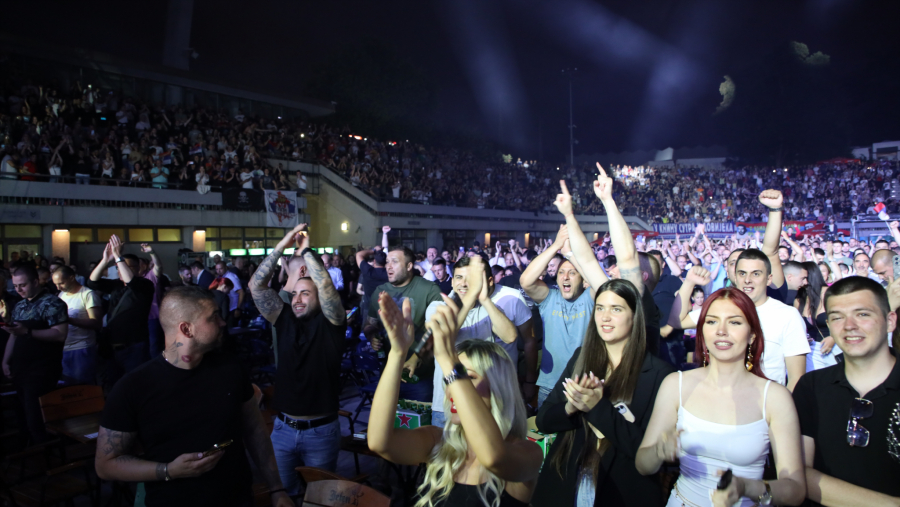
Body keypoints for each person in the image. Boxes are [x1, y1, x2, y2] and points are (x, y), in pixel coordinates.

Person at [94, 287, 292, 507]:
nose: (222, 322)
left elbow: (255, 431)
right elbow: (106, 465)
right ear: (186, 329)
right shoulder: (134, 387)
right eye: (213, 317)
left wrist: (277, 488)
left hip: (237, 498)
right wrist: (168, 470)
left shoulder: (230, 369)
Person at [368, 291, 542, 507]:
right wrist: (397, 354)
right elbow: (379, 442)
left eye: (468, 377)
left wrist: (447, 357)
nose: (453, 389)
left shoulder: (528, 452)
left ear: (499, 388)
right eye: (450, 379)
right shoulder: (438, 441)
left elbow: (493, 457)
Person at [637, 287, 806, 507]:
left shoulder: (774, 397)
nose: (721, 331)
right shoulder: (675, 384)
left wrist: (747, 487)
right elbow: (643, 464)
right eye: (712, 321)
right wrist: (658, 451)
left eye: (734, 322)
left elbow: (795, 490)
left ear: (752, 334)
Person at [532, 275, 675, 507]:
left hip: (621, 492)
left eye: (616, 309)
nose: (605, 317)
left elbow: (645, 451)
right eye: (599, 308)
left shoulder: (659, 374)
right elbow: (543, 421)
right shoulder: (581, 357)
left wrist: (598, 408)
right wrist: (570, 408)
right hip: (566, 484)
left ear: (634, 316)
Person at [249, 224, 346, 495]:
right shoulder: (284, 319)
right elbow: (256, 286)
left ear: (319, 298)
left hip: (320, 431)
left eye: (305, 293)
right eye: (294, 294)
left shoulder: (332, 322)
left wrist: (306, 251)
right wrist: (282, 245)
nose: (297, 299)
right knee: (283, 496)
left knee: (319, 497)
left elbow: (325, 285)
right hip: (283, 429)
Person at [792, 277, 900, 506]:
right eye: (837, 317)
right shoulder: (811, 387)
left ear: (890, 321)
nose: (849, 325)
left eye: (863, 314)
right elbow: (798, 474)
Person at [677, 251, 810, 391]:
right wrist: (689, 282)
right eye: (742, 273)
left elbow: (796, 378)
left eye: (756, 274)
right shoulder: (721, 307)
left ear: (769, 279)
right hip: (719, 398)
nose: (747, 280)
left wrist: (779, 404)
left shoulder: (787, 315)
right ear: (735, 277)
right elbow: (679, 321)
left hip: (766, 401)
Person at [425, 255, 532, 429]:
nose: (464, 283)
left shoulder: (489, 308)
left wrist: (484, 299)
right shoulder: (438, 307)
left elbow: (510, 336)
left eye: (470, 279)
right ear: (452, 282)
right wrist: (469, 300)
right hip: (447, 405)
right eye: (459, 277)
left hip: (484, 401)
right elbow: (444, 339)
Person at [366, 246, 444, 402]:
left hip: (420, 377)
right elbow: (370, 325)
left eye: (394, 262)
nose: (388, 266)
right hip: (389, 374)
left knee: (420, 418)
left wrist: (417, 356)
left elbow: (440, 330)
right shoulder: (380, 291)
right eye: (387, 262)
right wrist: (372, 336)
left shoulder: (429, 289)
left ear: (409, 266)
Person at [1, 265, 68, 444]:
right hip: (20, 368)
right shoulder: (20, 305)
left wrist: (28, 332)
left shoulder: (53, 303)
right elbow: (14, 335)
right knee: (22, 415)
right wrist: (5, 361)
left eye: (23, 285)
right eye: (15, 286)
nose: (19, 290)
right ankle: (29, 450)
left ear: (36, 282)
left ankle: (44, 451)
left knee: (36, 417)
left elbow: (60, 334)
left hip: (42, 369)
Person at [87, 235, 155, 385]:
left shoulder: (145, 285)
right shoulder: (116, 285)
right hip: (112, 346)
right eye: (118, 267)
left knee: (136, 384)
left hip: (135, 346)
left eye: (126, 266)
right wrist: (105, 260)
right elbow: (92, 282)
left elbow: (131, 282)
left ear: (138, 268)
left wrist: (118, 257)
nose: (120, 270)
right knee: (114, 385)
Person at [52, 266, 104, 385]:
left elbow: (96, 323)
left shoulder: (88, 294)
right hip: (64, 348)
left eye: (61, 283)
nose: (58, 287)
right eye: (55, 284)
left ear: (72, 278)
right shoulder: (62, 295)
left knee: (82, 387)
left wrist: (69, 320)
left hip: (81, 349)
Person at [795, 261, 839, 371]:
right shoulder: (799, 299)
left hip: (835, 348)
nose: (802, 281)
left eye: (804, 277)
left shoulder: (828, 293)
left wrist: (834, 337)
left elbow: (844, 318)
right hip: (812, 353)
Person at [139, 243, 165, 356]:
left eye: (138, 264)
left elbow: (158, 266)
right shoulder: (128, 280)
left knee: (154, 348)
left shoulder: (150, 276)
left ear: (144, 266)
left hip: (152, 319)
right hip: (137, 320)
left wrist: (152, 252)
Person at [215, 261, 244, 327]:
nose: (218, 271)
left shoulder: (231, 277)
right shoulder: (220, 277)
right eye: (217, 269)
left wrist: (238, 308)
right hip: (226, 308)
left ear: (226, 267)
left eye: (221, 269)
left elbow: (241, 292)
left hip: (233, 309)